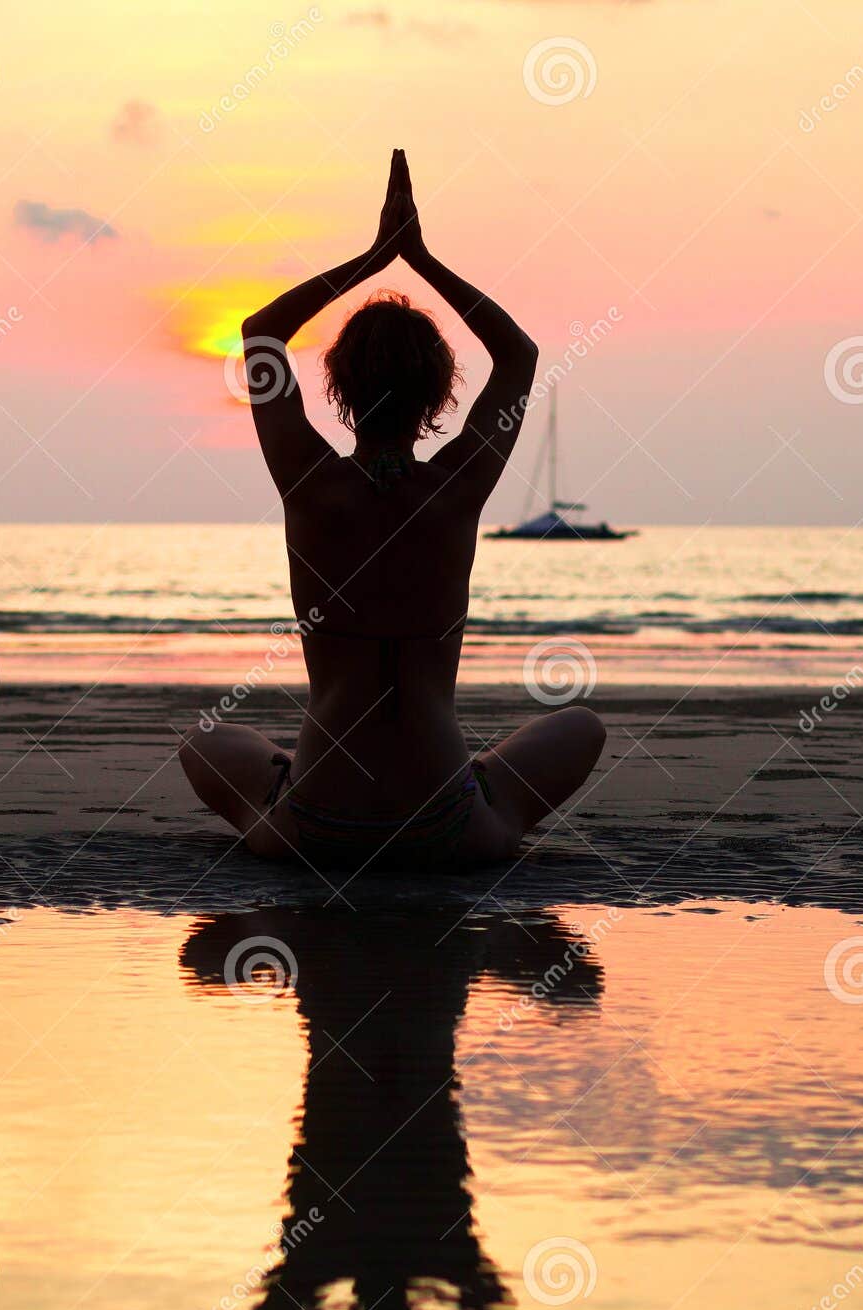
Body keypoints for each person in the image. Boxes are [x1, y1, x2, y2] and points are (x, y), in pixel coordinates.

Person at [178, 149, 605, 871]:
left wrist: (373, 259)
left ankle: (288, 783)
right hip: (443, 827)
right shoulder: (456, 490)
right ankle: (474, 784)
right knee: (581, 726)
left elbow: (260, 335)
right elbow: (519, 356)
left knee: (204, 743)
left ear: (339, 389)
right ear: (439, 395)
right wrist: (420, 259)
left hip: (317, 826)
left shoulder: (311, 488)